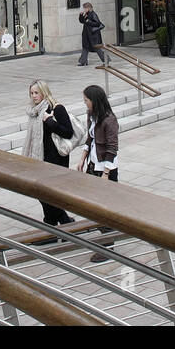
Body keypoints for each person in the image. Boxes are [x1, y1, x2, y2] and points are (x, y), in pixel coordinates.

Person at [22, 80, 75, 228]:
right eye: (31, 93)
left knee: (48, 195)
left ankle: (53, 224)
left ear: (44, 92)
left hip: (55, 160)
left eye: (36, 93)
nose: (34, 96)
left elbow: (68, 132)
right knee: (43, 194)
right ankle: (63, 223)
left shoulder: (56, 108)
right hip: (39, 158)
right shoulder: (34, 111)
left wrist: (50, 121)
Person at [78, 84, 119, 263]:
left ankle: (107, 246)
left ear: (95, 100)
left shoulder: (109, 120)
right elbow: (90, 138)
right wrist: (82, 158)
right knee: (94, 206)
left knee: (104, 209)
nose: (85, 103)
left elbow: (112, 148)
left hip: (105, 169)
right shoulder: (91, 115)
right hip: (93, 165)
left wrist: (106, 174)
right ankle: (104, 238)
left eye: (86, 100)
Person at [77, 2, 109, 66]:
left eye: (85, 8)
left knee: (97, 48)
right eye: (84, 8)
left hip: (93, 35)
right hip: (87, 34)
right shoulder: (87, 14)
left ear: (89, 8)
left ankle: (106, 60)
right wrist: (81, 16)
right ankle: (83, 61)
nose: (84, 9)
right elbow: (82, 21)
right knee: (85, 48)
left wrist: (88, 21)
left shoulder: (93, 14)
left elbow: (97, 23)